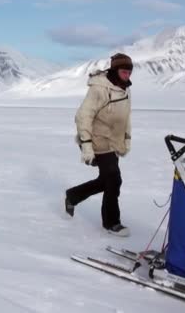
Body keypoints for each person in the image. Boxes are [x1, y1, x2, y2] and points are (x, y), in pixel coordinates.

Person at [64, 53, 133, 237]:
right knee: (114, 180)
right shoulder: (99, 89)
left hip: (113, 143)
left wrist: (126, 139)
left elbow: (125, 117)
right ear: (115, 70)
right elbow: (82, 117)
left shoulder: (124, 89)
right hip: (98, 141)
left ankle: (73, 195)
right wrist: (86, 146)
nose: (127, 76)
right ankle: (112, 223)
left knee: (107, 180)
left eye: (129, 72)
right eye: (124, 72)